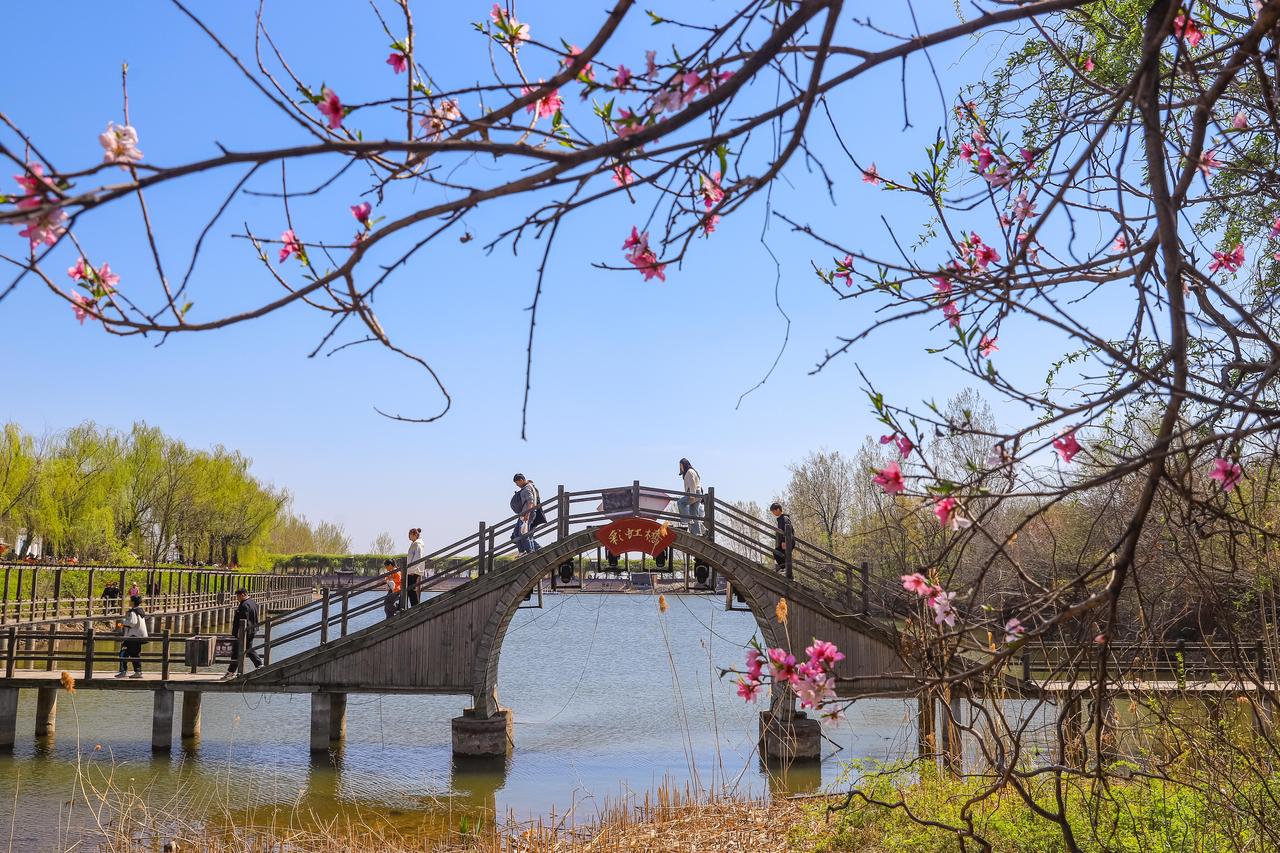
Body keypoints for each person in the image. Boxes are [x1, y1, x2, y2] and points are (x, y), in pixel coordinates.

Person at [222, 588, 262, 679]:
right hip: (252, 630)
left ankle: (231, 672)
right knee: (247, 649)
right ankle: (259, 665)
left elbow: (243, 620)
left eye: (238, 596)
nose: (237, 598)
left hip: (244, 632)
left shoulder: (244, 605)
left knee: (237, 651)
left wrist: (240, 633)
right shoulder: (253, 602)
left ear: (243, 595)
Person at [115, 595, 148, 678]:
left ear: (133, 602)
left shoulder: (133, 612)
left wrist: (123, 623)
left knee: (124, 653)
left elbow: (132, 623)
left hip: (133, 636)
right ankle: (136, 672)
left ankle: (125, 671)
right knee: (134, 654)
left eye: (130, 600)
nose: (129, 602)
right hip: (138, 636)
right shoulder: (140, 610)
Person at [510, 474, 544, 554]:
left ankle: (529, 552)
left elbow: (530, 501)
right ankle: (523, 551)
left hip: (527, 513)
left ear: (521, 480)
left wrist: (527, 515)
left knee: (523, 533)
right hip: (524, 514)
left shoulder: (527, 488)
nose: (517, 485)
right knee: (517, 533)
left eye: (517, 483)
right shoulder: (529, 487)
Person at [676, 458, 705, 536]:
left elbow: (692, 483)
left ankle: (686, 522)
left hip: (694, 493)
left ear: (684, 465)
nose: (680, 467)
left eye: (681, 465)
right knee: (694, 514)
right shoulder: (691, 471)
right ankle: (697, 533)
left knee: (680, 502)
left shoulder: (689, 472)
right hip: (698, 493)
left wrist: (692, 494)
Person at [771, 502, 795, 577]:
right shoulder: (780, 519)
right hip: (786, 541)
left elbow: (789, 529)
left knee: (778, 553)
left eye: (773, 511)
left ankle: (786, 570)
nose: (773, 513)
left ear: (778, 509)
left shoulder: (784, 518)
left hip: (788, 541)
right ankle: (786, 569)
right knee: (779, 553)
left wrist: (785, 541)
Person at [404, 528, 424, 606]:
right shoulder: (416, 543)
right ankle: (414, 606)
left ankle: (415, 606)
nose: (408, 536)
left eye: (410, 534)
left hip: (413, 571)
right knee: (410, 589)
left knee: (410, 589)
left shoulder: (417, 544)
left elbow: (418, 558)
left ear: (415, 534)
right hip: (413, 570)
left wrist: (412, 570)